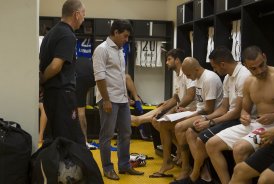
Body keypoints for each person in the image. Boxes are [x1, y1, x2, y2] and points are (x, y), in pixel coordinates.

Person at [206, 45, 274, 184]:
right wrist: (244, 115)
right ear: (246, 66)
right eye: (253, 68)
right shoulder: (249, 82)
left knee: (239, 148)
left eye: (261, 65)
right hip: (256, 123)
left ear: (265, 57)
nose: (259, 71)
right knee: (212, 144)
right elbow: (245, 109)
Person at [184, 46, 250, 183]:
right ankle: (202, 175)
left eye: (215, 67)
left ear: (223, 64)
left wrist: (210, 122)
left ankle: (197, 176)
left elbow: (236, 112)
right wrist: (206, 118)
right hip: (231, 117)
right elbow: (223, 108)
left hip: (241, 119)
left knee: (203, 138)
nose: (215, 70)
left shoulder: (244, 76)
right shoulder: (227, 78)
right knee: (191, 131)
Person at [93, 19, 144, 181]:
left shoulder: (120, 50)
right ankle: (107, 168)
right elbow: (100, 77)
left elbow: (120, 76)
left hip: (121, 99)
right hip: (108, 99)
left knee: (126, 133)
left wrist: (126, 96)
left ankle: (124, 165)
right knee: (107, 135)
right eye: (125, 36)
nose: (126, 40)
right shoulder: (102, 50)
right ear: (115, 32)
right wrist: (106, 100)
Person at [39, 0, 85, 144]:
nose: (83, 19)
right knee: (68, 140)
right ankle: (65, 167)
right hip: (62, 94)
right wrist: (43, 80)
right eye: (83, 14)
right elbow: (55, 66)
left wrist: (42, 82)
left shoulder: (51, 33)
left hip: (51, 95)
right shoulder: (67, 35)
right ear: (76, 14)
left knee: (56, 138)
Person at [172, 57, 223, 183]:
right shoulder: (198, 78)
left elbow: (209, 109)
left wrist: (190, 116)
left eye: (189, 74)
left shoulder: (209, 78)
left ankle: (187, 167)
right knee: (182, 129)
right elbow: (201, 105)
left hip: (214, 115)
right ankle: (198, 169)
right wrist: (187, 110)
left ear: (196, 69)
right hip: (202, 112)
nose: (188, 78)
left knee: (179, 127)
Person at [148, 49, 196, 178]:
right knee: (160, 121)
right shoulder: (177, 76)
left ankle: (177, 161)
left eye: (169, 59)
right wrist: (164, 109)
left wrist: (175, 109)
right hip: (182, 111)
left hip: (191, 111)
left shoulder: (187, 73)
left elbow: (191, 96)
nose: (166, 62)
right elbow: (175, 98)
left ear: (177, 60)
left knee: (164, 123)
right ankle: (170, 159)